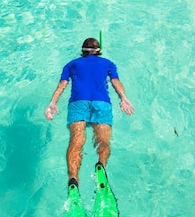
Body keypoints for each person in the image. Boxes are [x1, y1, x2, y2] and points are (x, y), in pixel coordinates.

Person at [44, 37, 134, 192]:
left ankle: (73, 178)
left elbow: (62, 85)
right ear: (99, 51)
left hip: (78, 104)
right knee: (103, 141)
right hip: (101, 103)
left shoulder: (71, 64)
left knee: (76, 141)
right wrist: (124, 98)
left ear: (82, 51)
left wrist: (52, 103)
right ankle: (101, 166)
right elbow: (115, 82)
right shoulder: (108, 63)